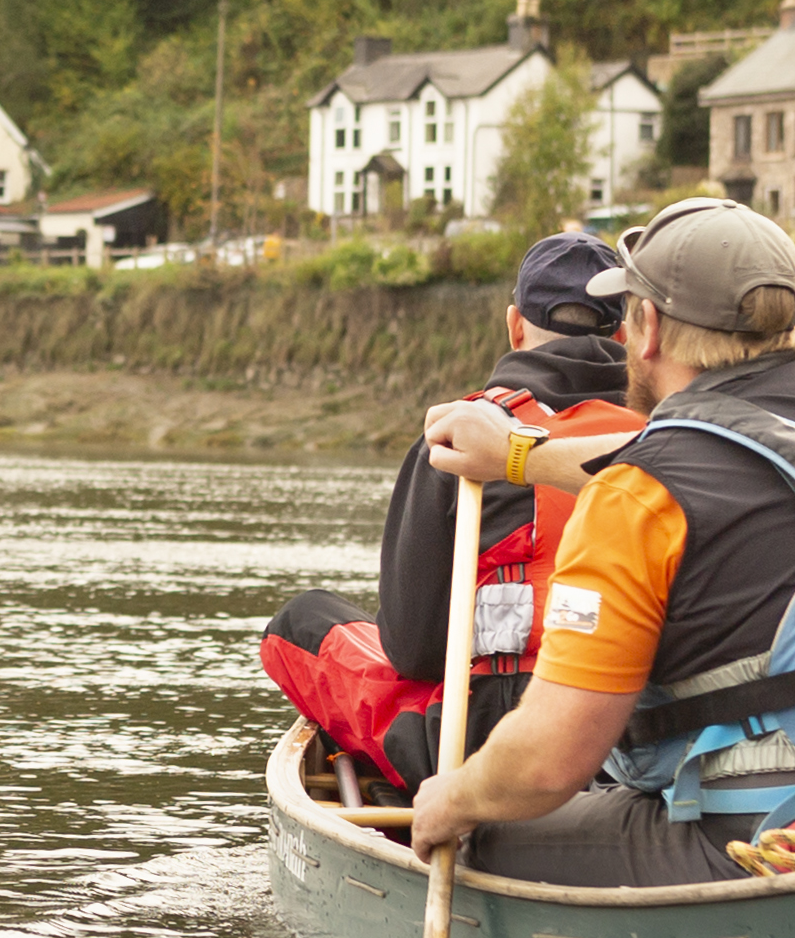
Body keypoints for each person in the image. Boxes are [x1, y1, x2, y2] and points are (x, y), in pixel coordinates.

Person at [408, 199, 795, 884]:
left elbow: (546, 765)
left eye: (627, 313)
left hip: (762, 841)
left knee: (492, 833)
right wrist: (517, 456)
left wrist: (456, 797)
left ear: (645, 327)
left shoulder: (639, 496)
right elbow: (733, 439)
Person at [259, 231, 645, 793]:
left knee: (300, 622)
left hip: (482, 739)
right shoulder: (671, 440)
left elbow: (412, 651)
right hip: (635, 734)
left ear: (515, 325)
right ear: (626, 334)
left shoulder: (460, 436)